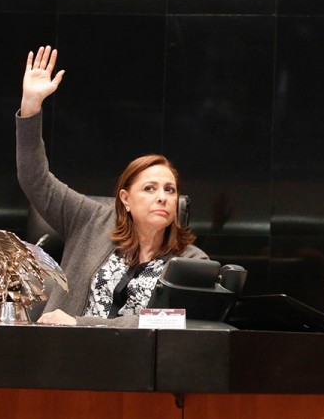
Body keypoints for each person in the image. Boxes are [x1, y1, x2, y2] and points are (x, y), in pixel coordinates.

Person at [16, 45, 208, 327]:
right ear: (125, 199)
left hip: (139, 354)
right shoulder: (90, 220)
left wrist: (81, 324)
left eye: (170, 190)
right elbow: (35, 179)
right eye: (149, 188)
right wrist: (31, 106)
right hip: (65, 348)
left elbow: (176, 322)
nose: (162, 197)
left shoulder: (192, 261)